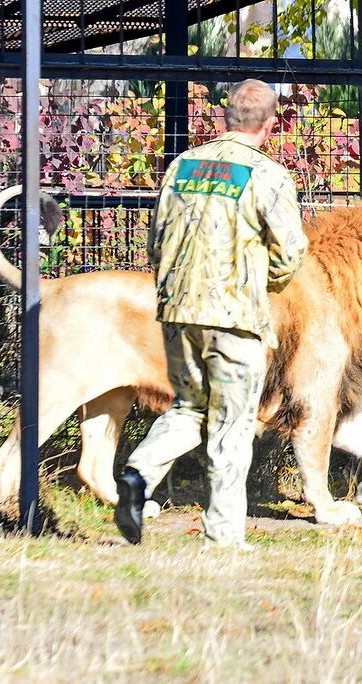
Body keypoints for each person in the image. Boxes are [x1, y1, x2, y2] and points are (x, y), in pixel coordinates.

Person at [113, 79, 308, 550]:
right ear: (269, 123)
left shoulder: (182, 165)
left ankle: (139, 473)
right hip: (235, 317)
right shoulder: (268, 175)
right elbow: (291, 252)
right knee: (233, 424)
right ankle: (223, 535)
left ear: (226, 117)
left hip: (178, 310)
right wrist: (265, 284)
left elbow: (156, 239)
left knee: (190, 407)